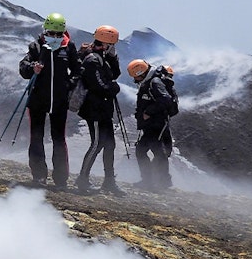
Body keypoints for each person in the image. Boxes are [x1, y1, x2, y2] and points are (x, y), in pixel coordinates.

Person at [18, 13, 80, 188]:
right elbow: (23, 68)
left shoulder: (69, 48)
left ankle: (61, 179)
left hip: (59, 101)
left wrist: (69, 85)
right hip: (37, 99)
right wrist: (32, 68)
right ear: (45, 30)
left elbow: (77, 70)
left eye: (58, 34)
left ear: (63, 33)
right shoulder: (36, 46)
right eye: (51, 33)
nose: (54, 37)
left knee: (59, 139)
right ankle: (39, 176)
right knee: (36, 137)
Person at [75, 25, 123, 194]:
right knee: (97, 143)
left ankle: (109, 182)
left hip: (102, 108)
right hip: (94, 109)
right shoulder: (92, 60)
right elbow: (99, 85)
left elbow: (115, 74)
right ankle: (82, 179)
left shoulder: (102, 57)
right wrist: (113, 88)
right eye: (112, 45)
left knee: (110, 144)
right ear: (106, 44)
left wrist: (113, 58)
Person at [129, 59, 178, 191]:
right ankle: (158, 181)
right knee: (150, 151)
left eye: (136, 76)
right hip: (154, 123)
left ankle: (156, 181)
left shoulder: (154, 82)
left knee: (151, 151)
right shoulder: (152, 81)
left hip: (156, 123)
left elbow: (165, 99)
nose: (135, 80)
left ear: (141, 72)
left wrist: (148, 112)